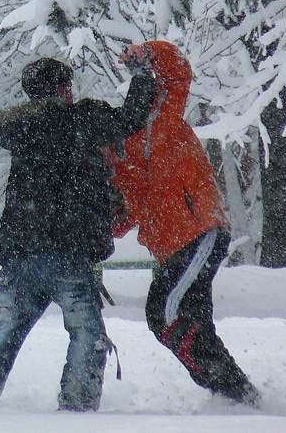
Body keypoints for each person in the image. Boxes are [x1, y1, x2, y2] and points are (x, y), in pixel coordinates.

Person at [0, 56, 157, 410]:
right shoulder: (81, 119)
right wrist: (142, 76)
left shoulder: (21, 129)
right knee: (86, 331)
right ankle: (77, 402)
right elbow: (130, 118)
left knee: (9, 326)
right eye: (68, 85)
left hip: (21, 250)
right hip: (69, 248)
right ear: (62, 88)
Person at [108, 40, 260, 406]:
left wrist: (147, 56)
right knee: (192, 323)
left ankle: (234, 393)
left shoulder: (155, 119)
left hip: (197, 231)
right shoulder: (117, 169)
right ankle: (236, 399)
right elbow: (121, 221)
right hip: (171, 247)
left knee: (162, 312)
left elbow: (178, 74)